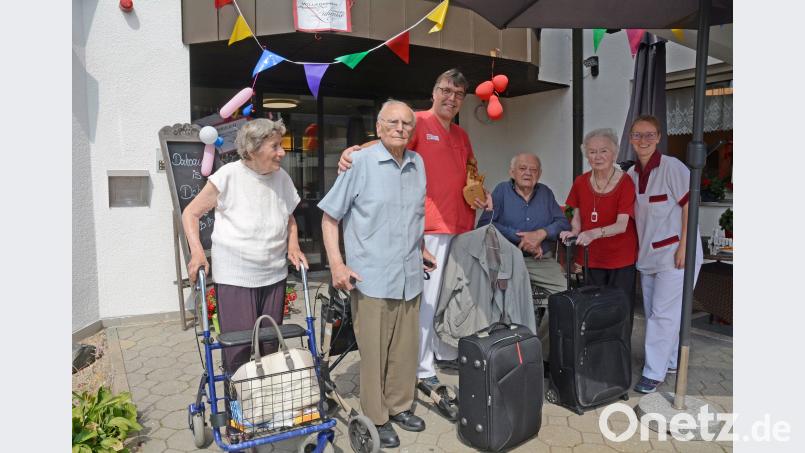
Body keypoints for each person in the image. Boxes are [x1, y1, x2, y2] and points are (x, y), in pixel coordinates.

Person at [338, 69, 492, 394]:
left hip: (461, 226)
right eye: (446, 90)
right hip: (428, 229)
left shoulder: (462, 136)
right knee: (426, 301)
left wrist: (481, 192)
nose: (451, 98)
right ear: (434, 92)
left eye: (459, 94)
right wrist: (354, 152)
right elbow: (386, 141)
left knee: (448, 297)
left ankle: (439, 351)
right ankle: (422, 368)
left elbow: (471, 173)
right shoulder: (418, 121)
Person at [319, 100, 437, 448]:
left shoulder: (418, 164)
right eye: (393, 123)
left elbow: (412, 216)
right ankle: (375, 415)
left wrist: (421, 248)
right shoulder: (359, 163)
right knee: (373, 353)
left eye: (407, 124)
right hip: (371, 275)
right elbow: (329, 217)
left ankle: (399, 406)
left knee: (405, 349)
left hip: (410, 274)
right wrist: (337, 265)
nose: (401, 129)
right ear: (380, 127)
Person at [182, 118, 307, 376]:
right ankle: (236, 407)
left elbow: (289, 215)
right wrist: (196, 252)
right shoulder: (228, 175)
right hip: (236, 277)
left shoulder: (281, 177)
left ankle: (268, 402)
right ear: (252, 149)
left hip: (274, 274)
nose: (282, 153)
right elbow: (191, 213)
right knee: (238, 348)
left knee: (271, 346)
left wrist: (292, 244)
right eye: (275, 147)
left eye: (280, 146)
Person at [626, 115, 703, 394]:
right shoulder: (631, 175)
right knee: (655, 313)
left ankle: (653, 372)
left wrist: (685, 247)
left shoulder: (673, 167)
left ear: (659, 137)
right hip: (647, 257)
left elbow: (689, 206)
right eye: (637, 135)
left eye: (649, 135)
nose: (643, 141)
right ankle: (669, 360)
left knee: (663, 315)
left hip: (675, 254)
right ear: (631, 139)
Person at [477, 152, 570, 363]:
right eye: (522, 168)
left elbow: (563, 224)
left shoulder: (545, 193)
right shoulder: (501, 191)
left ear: (540, 173)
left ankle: (541, 353)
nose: (528, 172)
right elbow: (485, 225)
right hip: (507, 260)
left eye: (533, 169)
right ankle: (509, 356)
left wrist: (541, 235)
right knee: (509, 300)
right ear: (512, 172)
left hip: (540, 260)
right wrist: (522, 238)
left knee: (564, 295)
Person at [559, 128, 639, 320]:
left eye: (604, 150)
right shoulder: (580, 182)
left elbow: (621, 225)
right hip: (591, 257)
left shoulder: (626, 182)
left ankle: (618, 351)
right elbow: (577, 215)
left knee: (619, 311)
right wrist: (574, 231)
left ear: (614, 153)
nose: (598, 156)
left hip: (621, 258)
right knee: (593, 311)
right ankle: (595, 350)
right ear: (587, 155)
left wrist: (593, 233)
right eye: (592, 151)